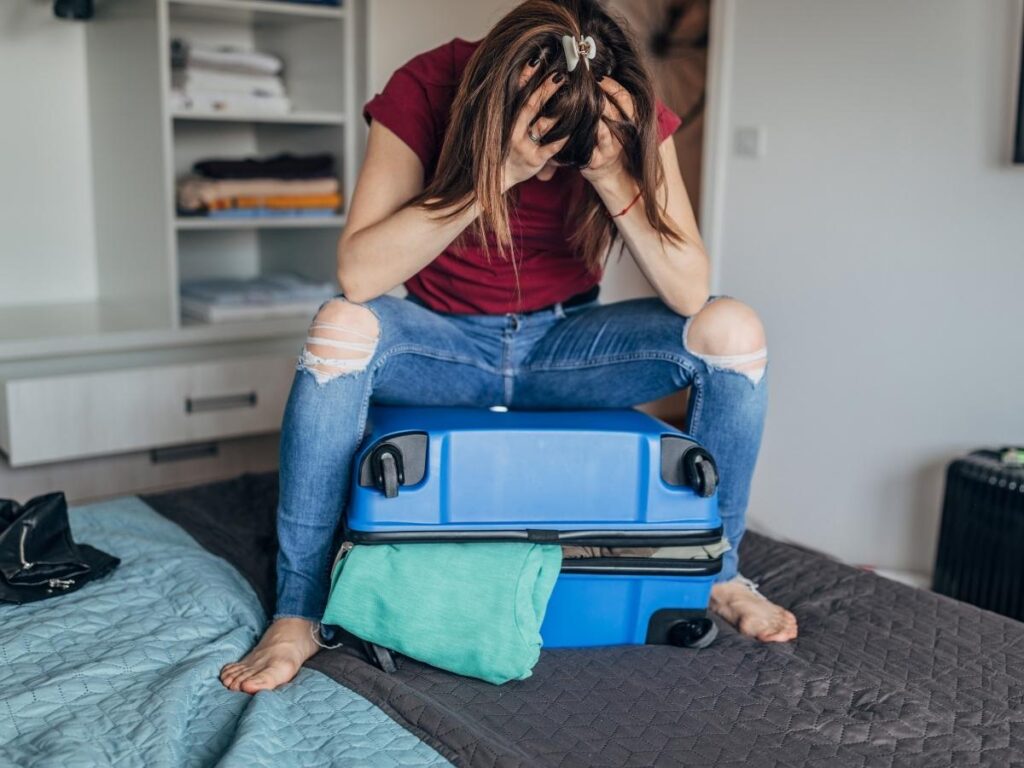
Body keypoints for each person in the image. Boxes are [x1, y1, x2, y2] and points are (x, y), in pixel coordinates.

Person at [220, 0, 797, 695]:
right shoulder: (429, 85)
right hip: (443, 343)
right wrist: (498, 170)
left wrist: (613, 176)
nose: (554, 173)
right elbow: (360, 272)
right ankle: (299, 609)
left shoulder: (626, 104)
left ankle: (719, 573)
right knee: (338, 324)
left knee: (733, 331)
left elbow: (689, 287)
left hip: (566, 347)